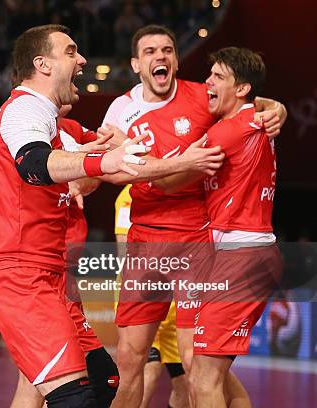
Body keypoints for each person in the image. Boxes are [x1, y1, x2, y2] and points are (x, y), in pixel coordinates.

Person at [0, 24, 222, 407]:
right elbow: (34, 164)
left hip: (53, 278)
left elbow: (120, 164)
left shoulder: (62, 128)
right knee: (74, 396)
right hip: (22, 277)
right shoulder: (24, 108)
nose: (82, 60)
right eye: (71, 51)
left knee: (105, 382)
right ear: (42, 64)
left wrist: (272, 107)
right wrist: (101, 160)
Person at [101, 25, 286, 408]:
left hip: (198, 243)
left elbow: (248, 101)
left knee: (196, 363)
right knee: (131, 357)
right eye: (150, 51)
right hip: (147, 242)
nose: (160, 57)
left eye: (167, 49)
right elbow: (106, 169)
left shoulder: (203, 95)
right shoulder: (120, 110)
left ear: (175, 57)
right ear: (137, 64)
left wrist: (276, 108)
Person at [185, 47, 282, 407]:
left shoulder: (230, 130)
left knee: (203, 378)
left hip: (241, 255)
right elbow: (268, 105)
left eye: (217, 77)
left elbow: (169, 179)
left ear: (241, 89)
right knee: (207, 371)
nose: (207, 82)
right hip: (245, 253)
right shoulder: (253, 120)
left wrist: (122, 155)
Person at [10, 105, 120, 408]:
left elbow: (101, 169)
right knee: (100, 380)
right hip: (44, 268)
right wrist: (76, 171)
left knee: (34, 380)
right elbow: (46, 170)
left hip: (67, 268)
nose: (79, 66)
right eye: (70, 55)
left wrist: (80, 175)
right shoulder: (24, 130)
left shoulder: (73, 130)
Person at [114, 185, 189, 408]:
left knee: (187, 384)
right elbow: (124, 248)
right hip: (144, 288)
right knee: (149, 367)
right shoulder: (130, 194)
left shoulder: (184, 189)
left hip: (178, 298)